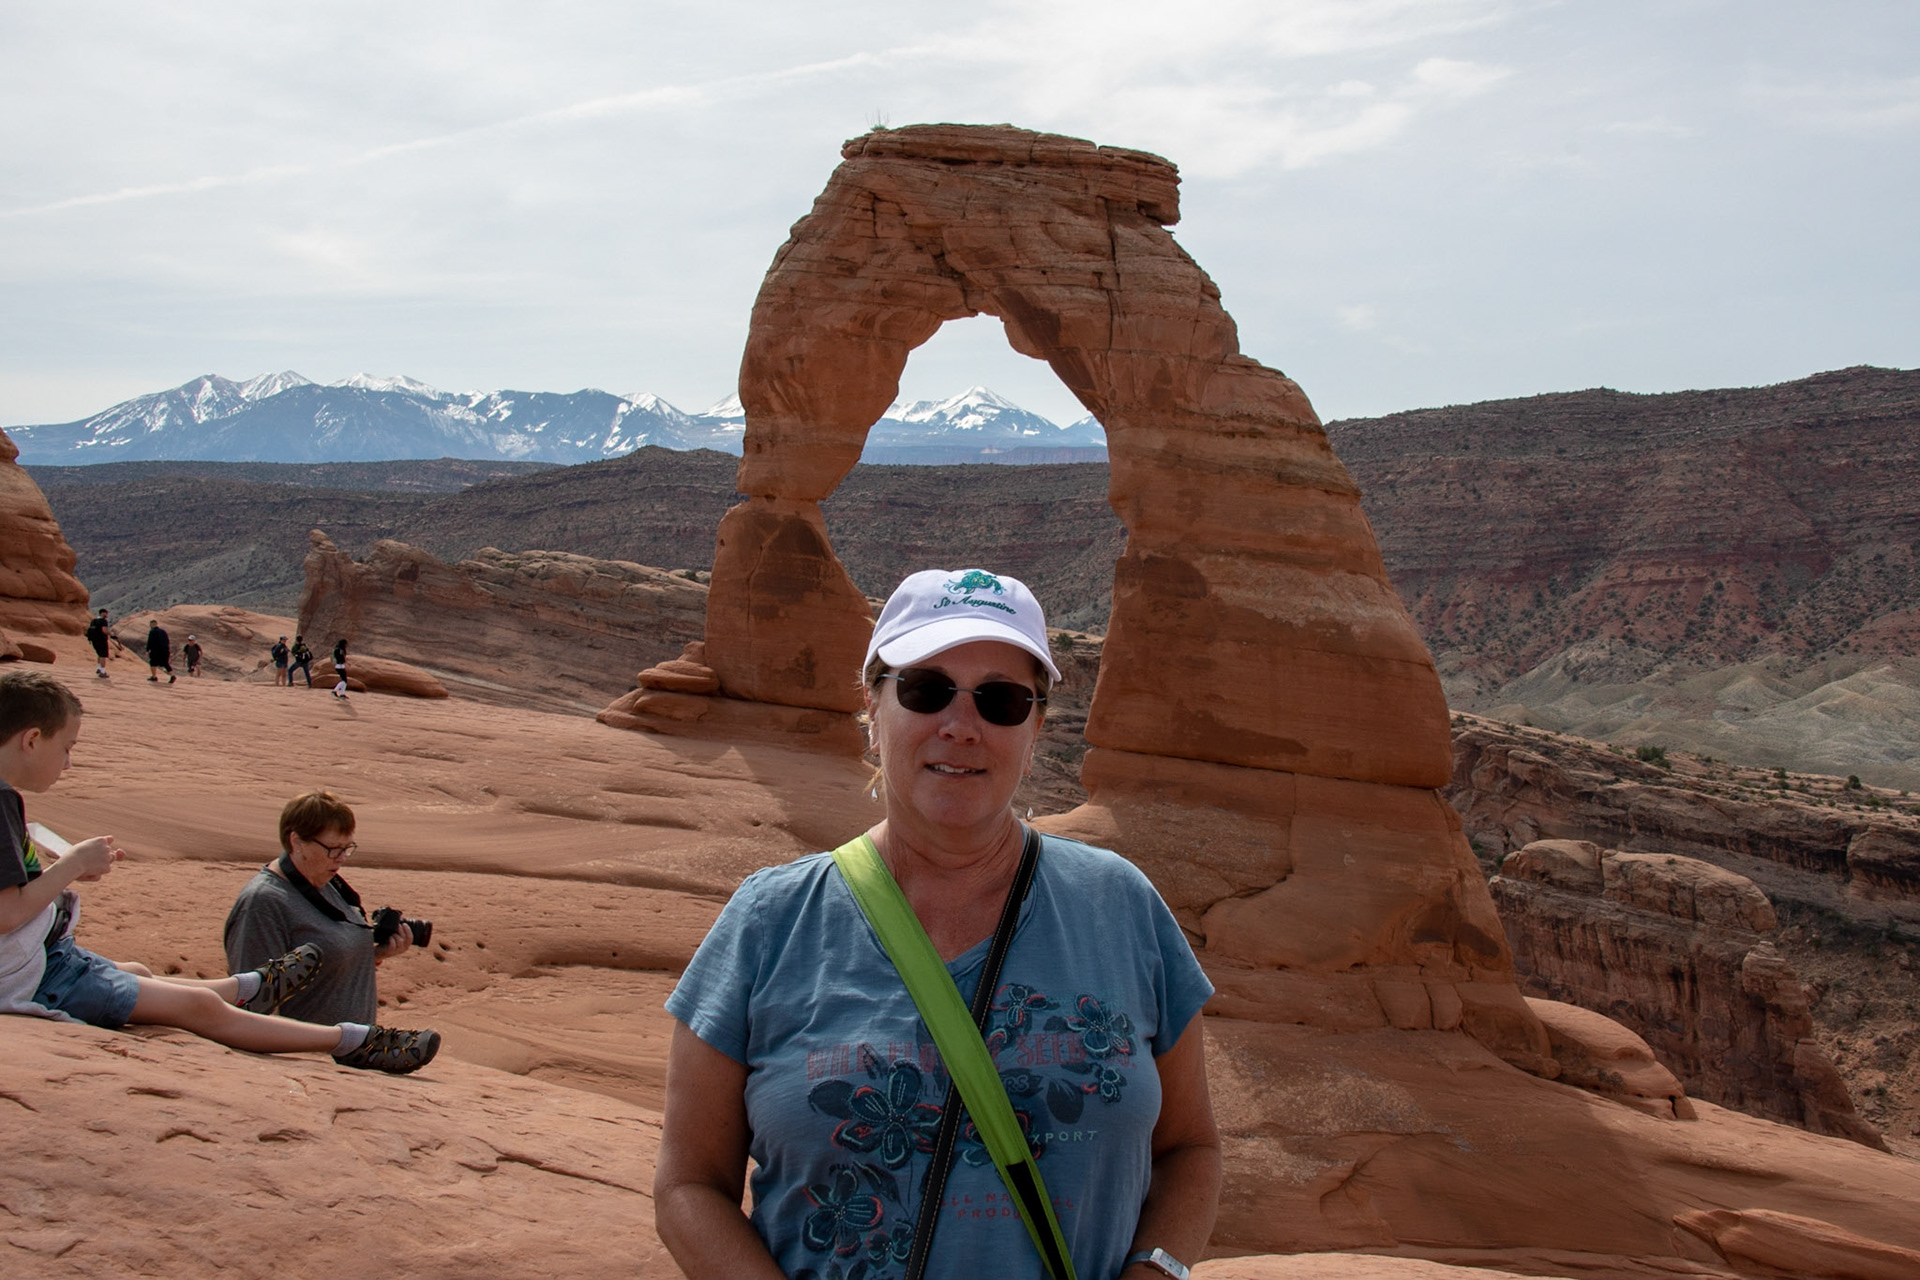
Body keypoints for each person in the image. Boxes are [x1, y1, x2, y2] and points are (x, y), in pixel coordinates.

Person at [655, 569, 1221, 1280]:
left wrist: (1156, 1271)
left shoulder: (1122, 908)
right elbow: (687, 1186)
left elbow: (1191, 1149)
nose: (961, 726)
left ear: (1037, 725)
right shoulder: (769, 924)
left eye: (1002, 700)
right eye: (925, 690)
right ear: (872, 705)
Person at [0, 669, 439, 1074]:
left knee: (138, 970)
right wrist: (72, 866)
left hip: (42, 957)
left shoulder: (7, 800)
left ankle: (242, 987)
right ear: (32, 739)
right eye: (68, 748)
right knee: (197, 1009)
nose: (69, 763)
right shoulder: (1, 802)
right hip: (35, 975)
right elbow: (6, 914)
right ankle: (349, 1041)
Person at [224, 791, 430, 1031]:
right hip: (303, 1058)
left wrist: (374, 955)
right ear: (297, 841)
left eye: (347, 848)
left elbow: (325, 963)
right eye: (333, 848)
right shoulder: (263, 904)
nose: (342, 858)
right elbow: (252, 1008)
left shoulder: (327, 883)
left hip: (344, 1055)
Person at [85, 609, 112, 679]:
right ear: (102, 613)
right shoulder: (103, 621)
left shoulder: (93, 621)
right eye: (106, 613)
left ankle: (99, 668)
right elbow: (104, 630)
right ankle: (102, 672)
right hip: (101, 640)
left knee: (99, 654)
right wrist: (111, 634)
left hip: (94, 640)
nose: (107, 615)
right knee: (103, 655)